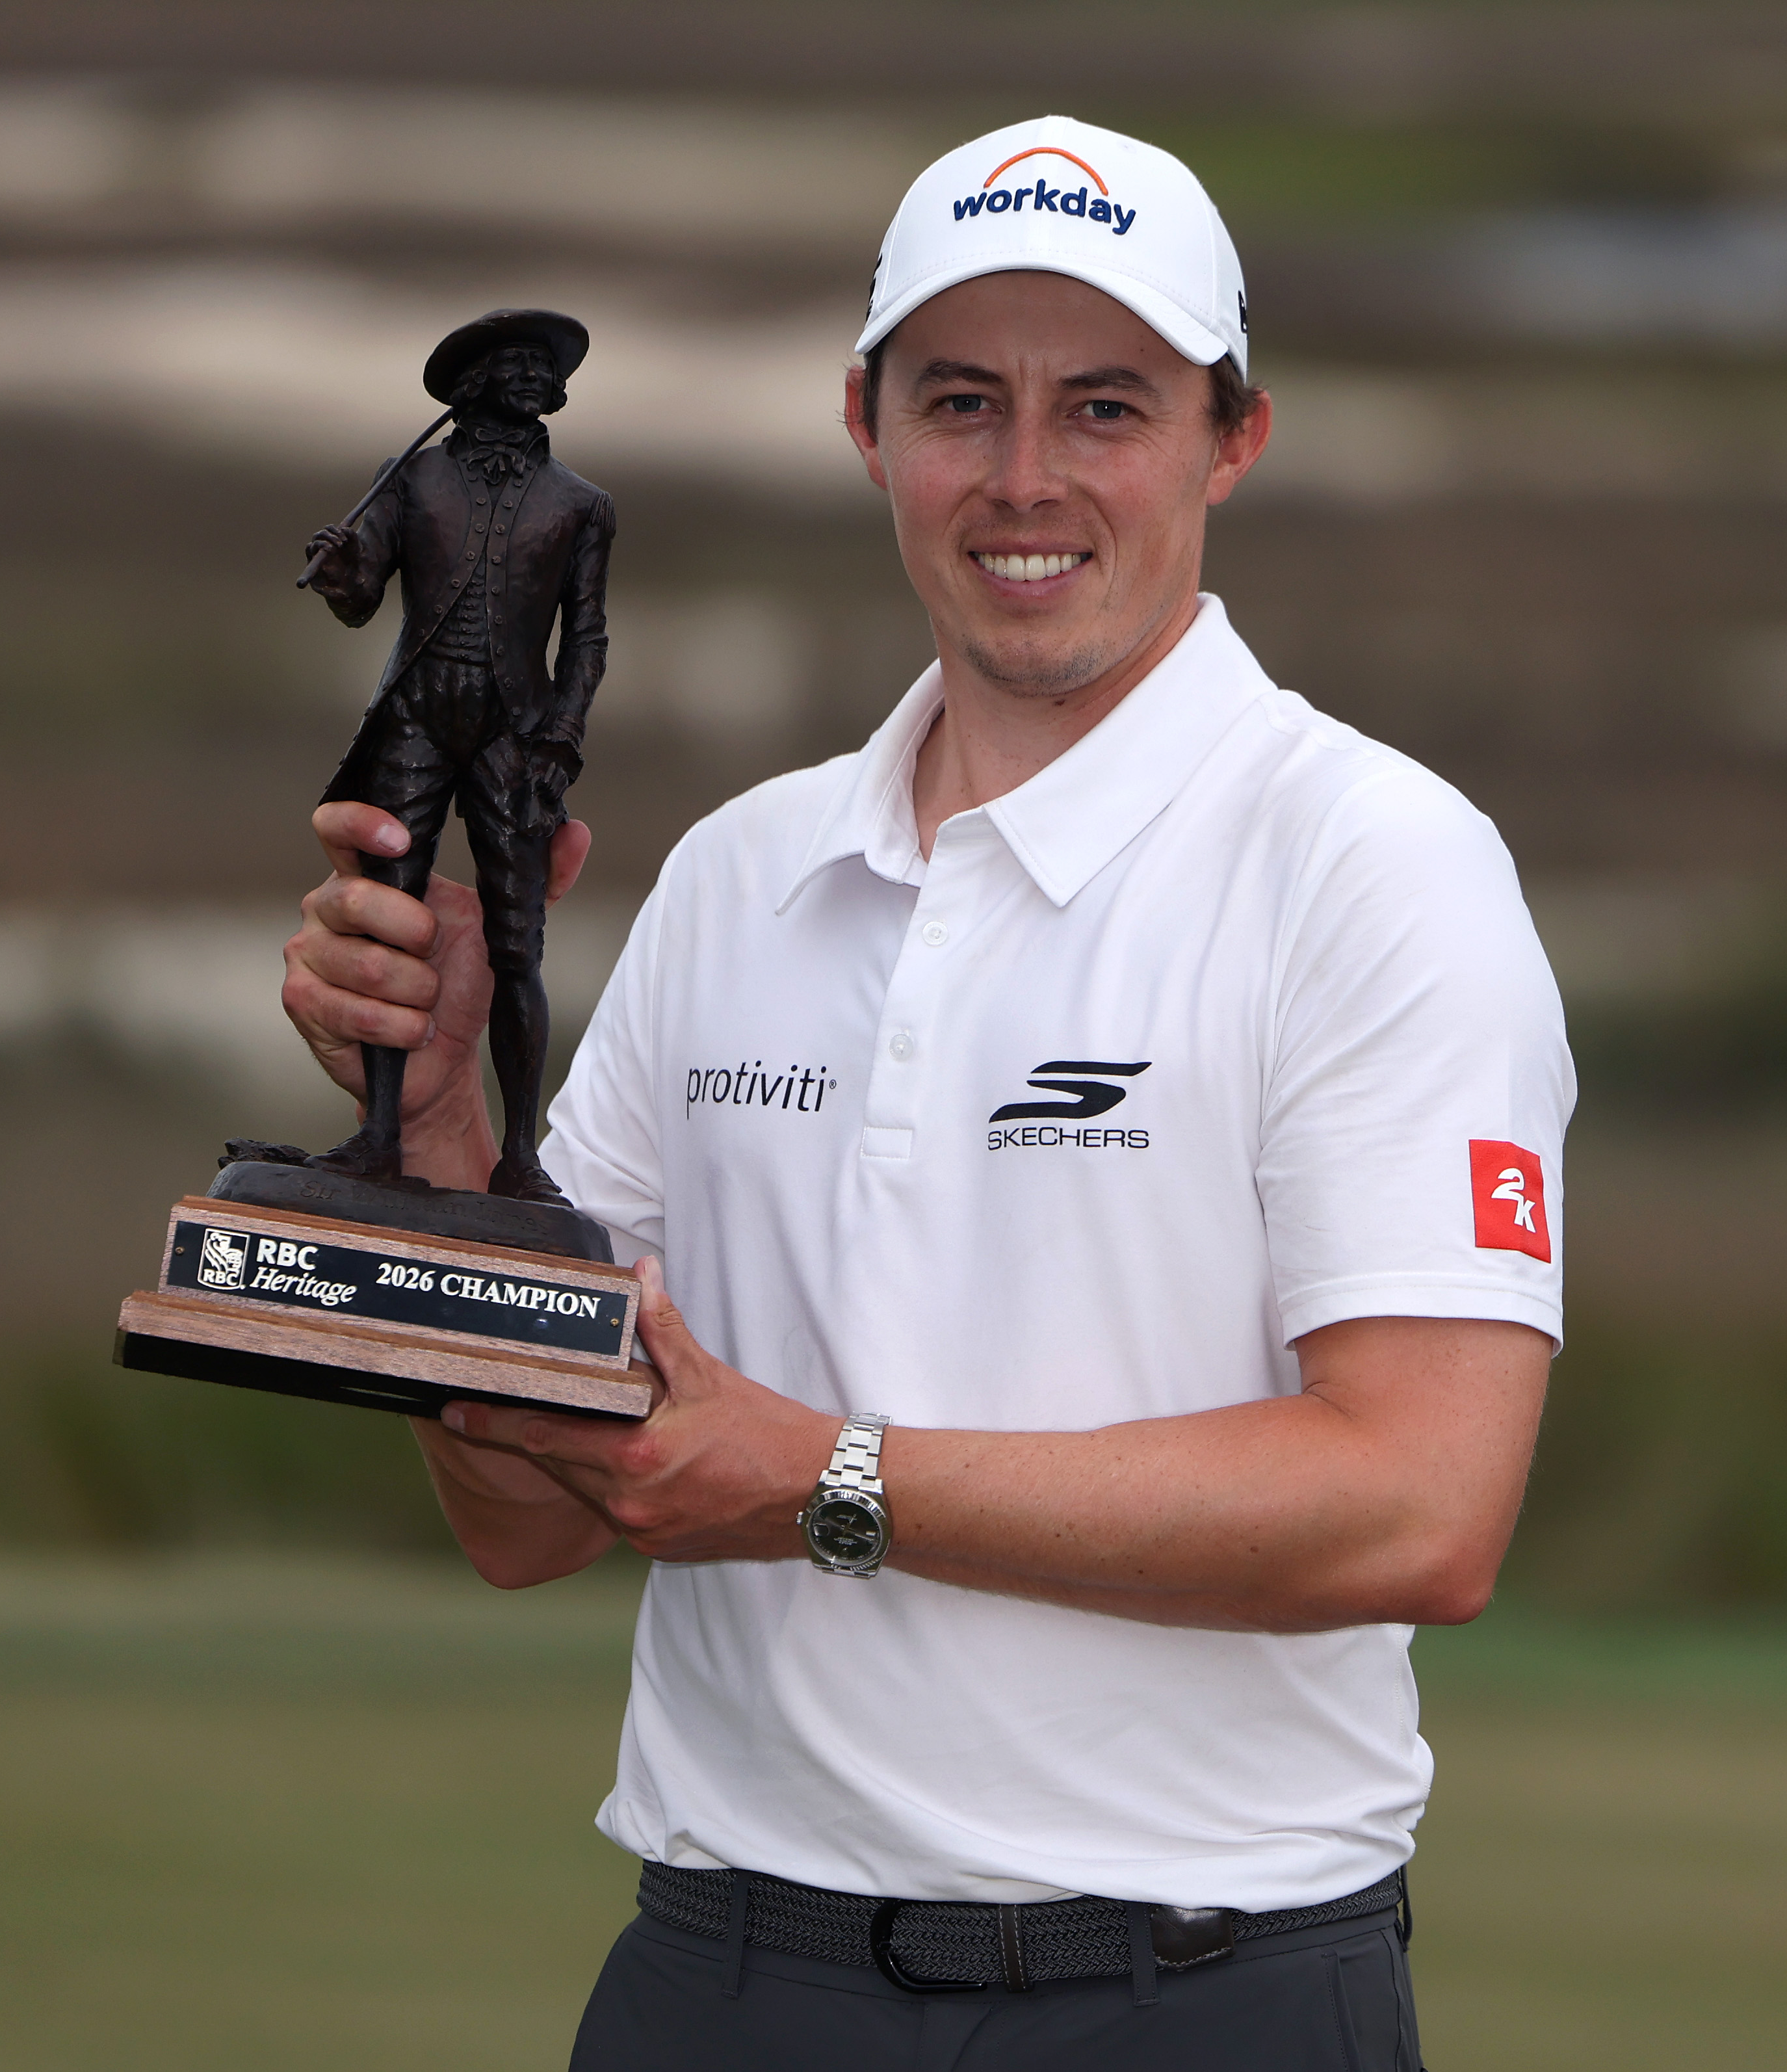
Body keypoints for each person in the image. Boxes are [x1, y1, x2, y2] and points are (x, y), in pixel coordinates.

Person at [281, 116, 1570, 2070]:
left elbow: (1419, 1503)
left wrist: (818, 1476)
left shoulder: (1371, 861)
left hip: (1199, 1995)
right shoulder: (738, 876)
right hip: (723, 1978)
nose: (1025, 479)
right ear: (865, 424)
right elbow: (527, 1520)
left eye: (1106, 406)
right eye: (960, 400)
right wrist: (450, 1134)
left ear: (1235, 437)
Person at [300, 307, 614, 1204]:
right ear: (474, 385)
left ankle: (520, 1156)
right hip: (416, 722)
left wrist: (559, 736)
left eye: (539, 367)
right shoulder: (408, 480)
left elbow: (586, 641)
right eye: (512, 365)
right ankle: (381, 1135)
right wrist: (340, 573)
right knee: (388, 924)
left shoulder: (583, 506)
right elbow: (363, 598)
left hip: (514, 738)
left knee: (518, 944)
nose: (531, 379)